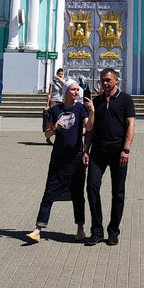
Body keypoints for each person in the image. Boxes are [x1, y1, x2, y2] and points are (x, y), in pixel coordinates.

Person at [26, 79, 94, 243]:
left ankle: (80, 229)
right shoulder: (56, 110)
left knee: (78, 195)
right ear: (66, 92)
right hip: (58, 158)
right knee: (49, 192)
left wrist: (92, 112)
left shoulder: (81, 109)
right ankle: (38, 229)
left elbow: (89, 127)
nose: (77, 92)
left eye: (78, 90)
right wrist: (54, 127)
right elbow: (47, 135)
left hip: (75, 159)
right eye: (73, 90)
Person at [84, 69, 136, 246]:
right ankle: (96, 230)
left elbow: (131, 124)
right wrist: (86, 150)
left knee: (118, 192)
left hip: (118, 152)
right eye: (102, 80)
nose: (105, 83)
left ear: (116, 80)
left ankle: (113, 231)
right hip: (98, 152)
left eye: (108, 80)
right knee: (91, 186)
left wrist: (126, 149)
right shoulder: (97, 102)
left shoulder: (125, 99)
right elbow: (90, 128)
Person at [45, 67, 66, 144]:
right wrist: (47, 104)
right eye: (59, 74)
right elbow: (49, 94)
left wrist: (59, 79)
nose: (61, 75)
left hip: (61, 102)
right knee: (52, 120)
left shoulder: (63, 82)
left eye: (62, 74)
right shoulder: (53, 82)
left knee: (59, 120)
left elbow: (66, 84)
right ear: (57, 74)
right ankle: (48, 136)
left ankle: (58, 138)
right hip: (54, 102)